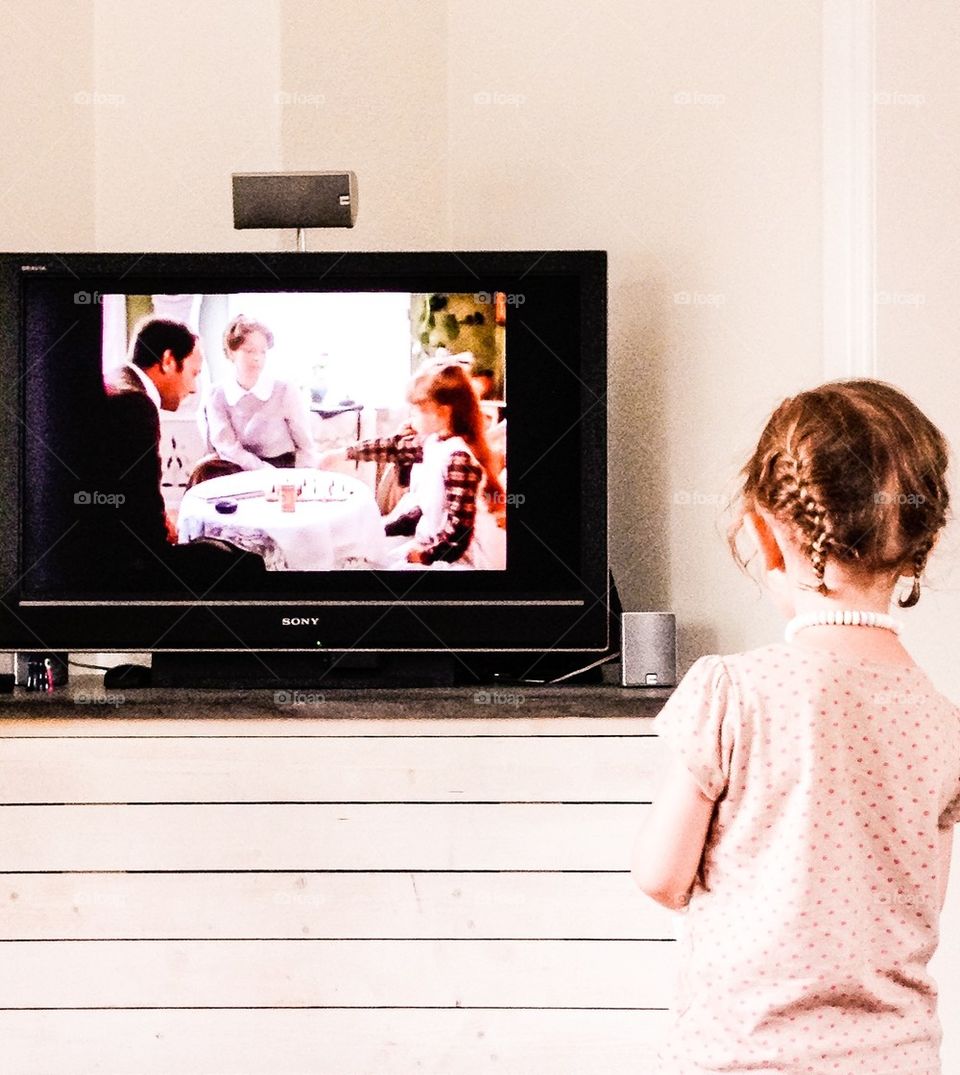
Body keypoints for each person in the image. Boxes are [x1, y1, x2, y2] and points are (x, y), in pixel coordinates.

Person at [632, 379, 960, 1074]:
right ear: (917, 550)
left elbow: (662, 875)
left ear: (763, 531)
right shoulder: (944, 724)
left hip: (743, 1056)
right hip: (894, 1059)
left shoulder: (733, 692)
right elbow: (920, 902)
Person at [97, 317, 265, 591]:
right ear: (168, 361)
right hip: (123, 561)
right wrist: (161, 531)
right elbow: (142, 526)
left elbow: (128, 489)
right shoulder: (135, 406)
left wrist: (159, 517)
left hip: (110, 540)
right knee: (245, 564)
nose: (193, 388)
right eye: (194, 373)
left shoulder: (117, 380)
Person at [320, 363, 504, 567]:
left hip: (458, 557)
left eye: (417, 412)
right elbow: (392, 447)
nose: (411, 418)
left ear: (442, 413)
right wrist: (341, 454)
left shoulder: (459, 458)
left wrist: (425, 556)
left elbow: (459, 532)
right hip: (434, 543)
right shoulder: (433, 441)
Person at [204, 314, 318, 471]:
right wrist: (264, 472)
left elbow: (306, 445)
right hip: (237, 471)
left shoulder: (284, 389)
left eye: (262, 352)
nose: (257, 358)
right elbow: (227, 446)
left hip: (284, 470)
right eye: (249, 351)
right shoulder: (216, 395)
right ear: (231, 353)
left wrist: (303, 479)